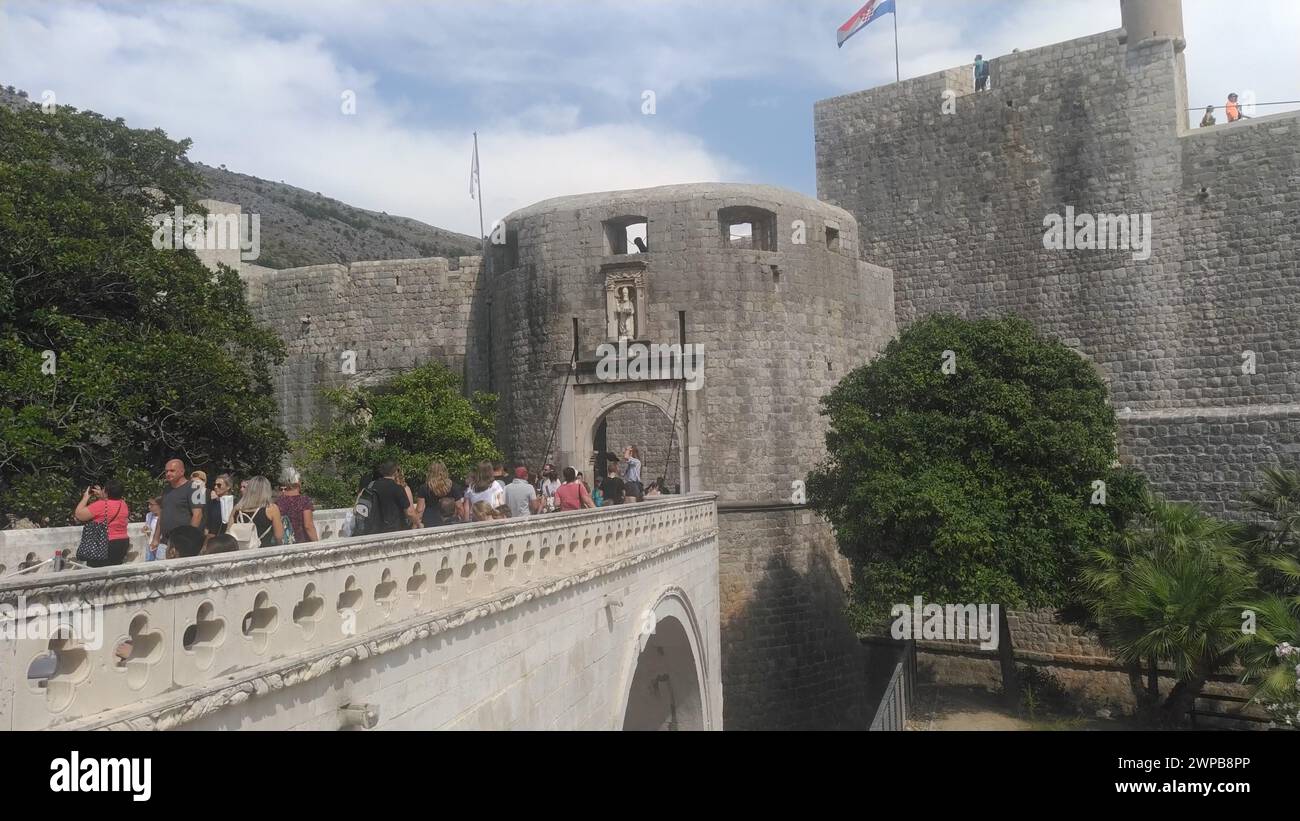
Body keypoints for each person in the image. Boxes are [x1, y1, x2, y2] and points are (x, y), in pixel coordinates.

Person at [150, 459, 206, 558]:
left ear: (182, 472)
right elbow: (162, 514)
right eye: (166, 471)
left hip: (182, 545)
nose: (168, 473)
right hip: (165, 543)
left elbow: (198, 515)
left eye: (172, 471)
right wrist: (156, 538)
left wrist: (188, 539)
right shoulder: (166, 490)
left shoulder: (195, 488)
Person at [73, 481, 130, 567]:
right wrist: (103, 495)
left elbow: (79, 514)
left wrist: (86, 497)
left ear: (106, 493)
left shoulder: (101, 505)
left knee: (97, 571)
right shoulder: (123, 504)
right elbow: (112, 503)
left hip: (105, 543)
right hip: (122, 543)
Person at [227, 476, 285, 548]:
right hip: (263, 552)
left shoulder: (237, 508)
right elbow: (279, 536)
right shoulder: (271, 509)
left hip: (241, 551)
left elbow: (228, 532)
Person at [364, 461, 418, 535]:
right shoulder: (397, 488)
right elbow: (409, 512)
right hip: (394, 530)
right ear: (395, 472)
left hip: (374, 530)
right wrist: (418, 523)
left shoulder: (371, 486)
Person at [415, 461, 464, 528]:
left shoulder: (424, 488)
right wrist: (463, 520)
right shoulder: (453, 486)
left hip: (430, 521)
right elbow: (459, 507)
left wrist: (415, 525)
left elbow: (419, 510)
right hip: (449, 522)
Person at [276, 467, 318, 542]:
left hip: (285, 542)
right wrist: (317, 544)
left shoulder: (278, 501)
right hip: (302, 542)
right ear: (298, 482)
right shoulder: (304, 500)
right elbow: (308, 525)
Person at [206, 473, 236, 541]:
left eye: (219, 485)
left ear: (228, 487)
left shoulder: (235, 503)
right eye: (215, 485)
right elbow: (208, 526)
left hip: (231, 539)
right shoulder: (211, 503)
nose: (215, 487)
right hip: (213, 540)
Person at [143, 496, 164, 561]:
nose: (149, 506)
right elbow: (147, 526)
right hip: (149, 544)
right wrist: (145, 528)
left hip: (159, 545)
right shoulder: (149, 515)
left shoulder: (164, 517)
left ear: (159, 505)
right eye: (148, 504)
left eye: (151, 505)